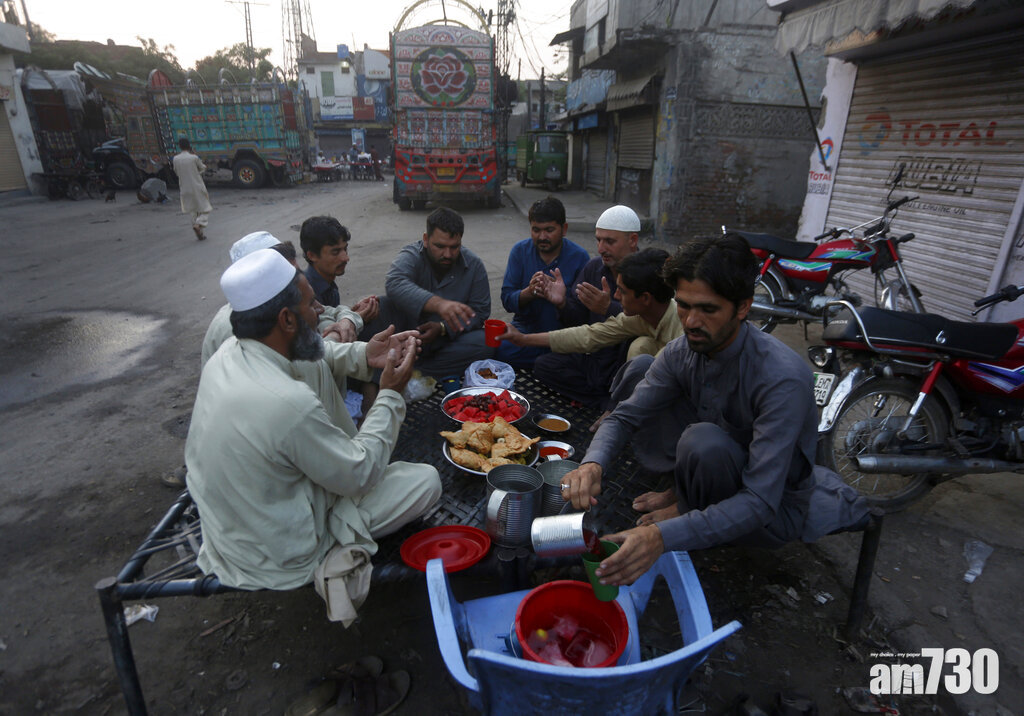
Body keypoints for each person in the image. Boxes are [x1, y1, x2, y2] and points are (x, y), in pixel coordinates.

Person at [559, 234, 869, 587]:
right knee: (643, 368)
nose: (690, 321)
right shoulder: (683, 350)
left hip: (773, 508)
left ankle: (687, 510)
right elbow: (625, 416)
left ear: (742, 307)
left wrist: (663, 536)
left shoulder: (781, 379)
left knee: (702, 441)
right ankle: (683, 499)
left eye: (707, 309)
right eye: (684, 305)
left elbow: (760, 502)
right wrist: (592, 463)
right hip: (712, 468)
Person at [186, 248, 441, 624]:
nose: (320, 311)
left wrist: (364, 353)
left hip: (237, 525)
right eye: (311, 305)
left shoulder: (230, 351)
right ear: (286, 319)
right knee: (425, 481)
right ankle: (332, 530)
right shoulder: (286, 404)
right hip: (280, 552)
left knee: (315, 365)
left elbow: (317, 353)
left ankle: (339, 454)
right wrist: (389, 394)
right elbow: (359, 475)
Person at [358, 206, 493, 379]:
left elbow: (480, 311)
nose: (448, 254)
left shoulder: (474, 265)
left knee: (485, 342)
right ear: (426, 239)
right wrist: (439, 305)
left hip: (445, 343)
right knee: (378, 307)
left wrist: (443, 327)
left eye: (454, 247)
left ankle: (412, 373)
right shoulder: (411, 254)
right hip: (402, 336)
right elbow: (394, 282)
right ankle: (383, 373)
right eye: (440, 246)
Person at [200, 231, 369, 368]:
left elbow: (325, 311)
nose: (296, 278)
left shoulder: (284, 298)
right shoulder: (242, 327)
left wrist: (348, 320)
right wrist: (337, 335)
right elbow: (303, 365)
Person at [530, 204, 641, 407]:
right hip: (592, 358)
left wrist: (610, 308)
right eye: (598, 240)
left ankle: (610, 401)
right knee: (543, 366)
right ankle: (603, 402)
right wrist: (562, 303)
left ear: (632, 240)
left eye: (609, 241)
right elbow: (576, 320)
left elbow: (650, 323)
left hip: (623, 362)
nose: (601, 249)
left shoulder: (649, 271)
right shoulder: (594, 268)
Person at [498, 248, 679, 368]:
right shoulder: (640, 316)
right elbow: (589, 335)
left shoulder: (681, 338)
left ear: (646, 298)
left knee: (644, 356)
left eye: (622, 292)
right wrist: (523, 339)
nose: (615, 296)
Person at [494, 196, 590, 368]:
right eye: (536, 230)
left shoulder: (580, 257)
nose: (542, 236)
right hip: (526, 331)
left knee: (581, 355)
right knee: (497, 347)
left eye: (549, 230)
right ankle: (545, 362)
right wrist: (529, 293)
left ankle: (546, 362)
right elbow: (507, 300)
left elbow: (582, 317)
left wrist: (561, 302)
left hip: (562, 336)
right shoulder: (520, 252)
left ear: (564, 229)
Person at [300, 216, 380, 341]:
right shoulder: (306, 295)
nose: (345, 258)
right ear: (312, 255)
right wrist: (355, 319)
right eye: (335, 252)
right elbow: (325, 345)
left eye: (345, 249)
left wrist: (351, 313)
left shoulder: (329, 286)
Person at [171, 137, 211, 241]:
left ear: (179, 146)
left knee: (193, 210)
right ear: (189, 146)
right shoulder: (194, 158)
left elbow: (176, 172)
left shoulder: (175, 159)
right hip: (197, 186)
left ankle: (200, 234)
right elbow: (203, 168)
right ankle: (199, 224)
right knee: (205, 207)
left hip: (184, 187)